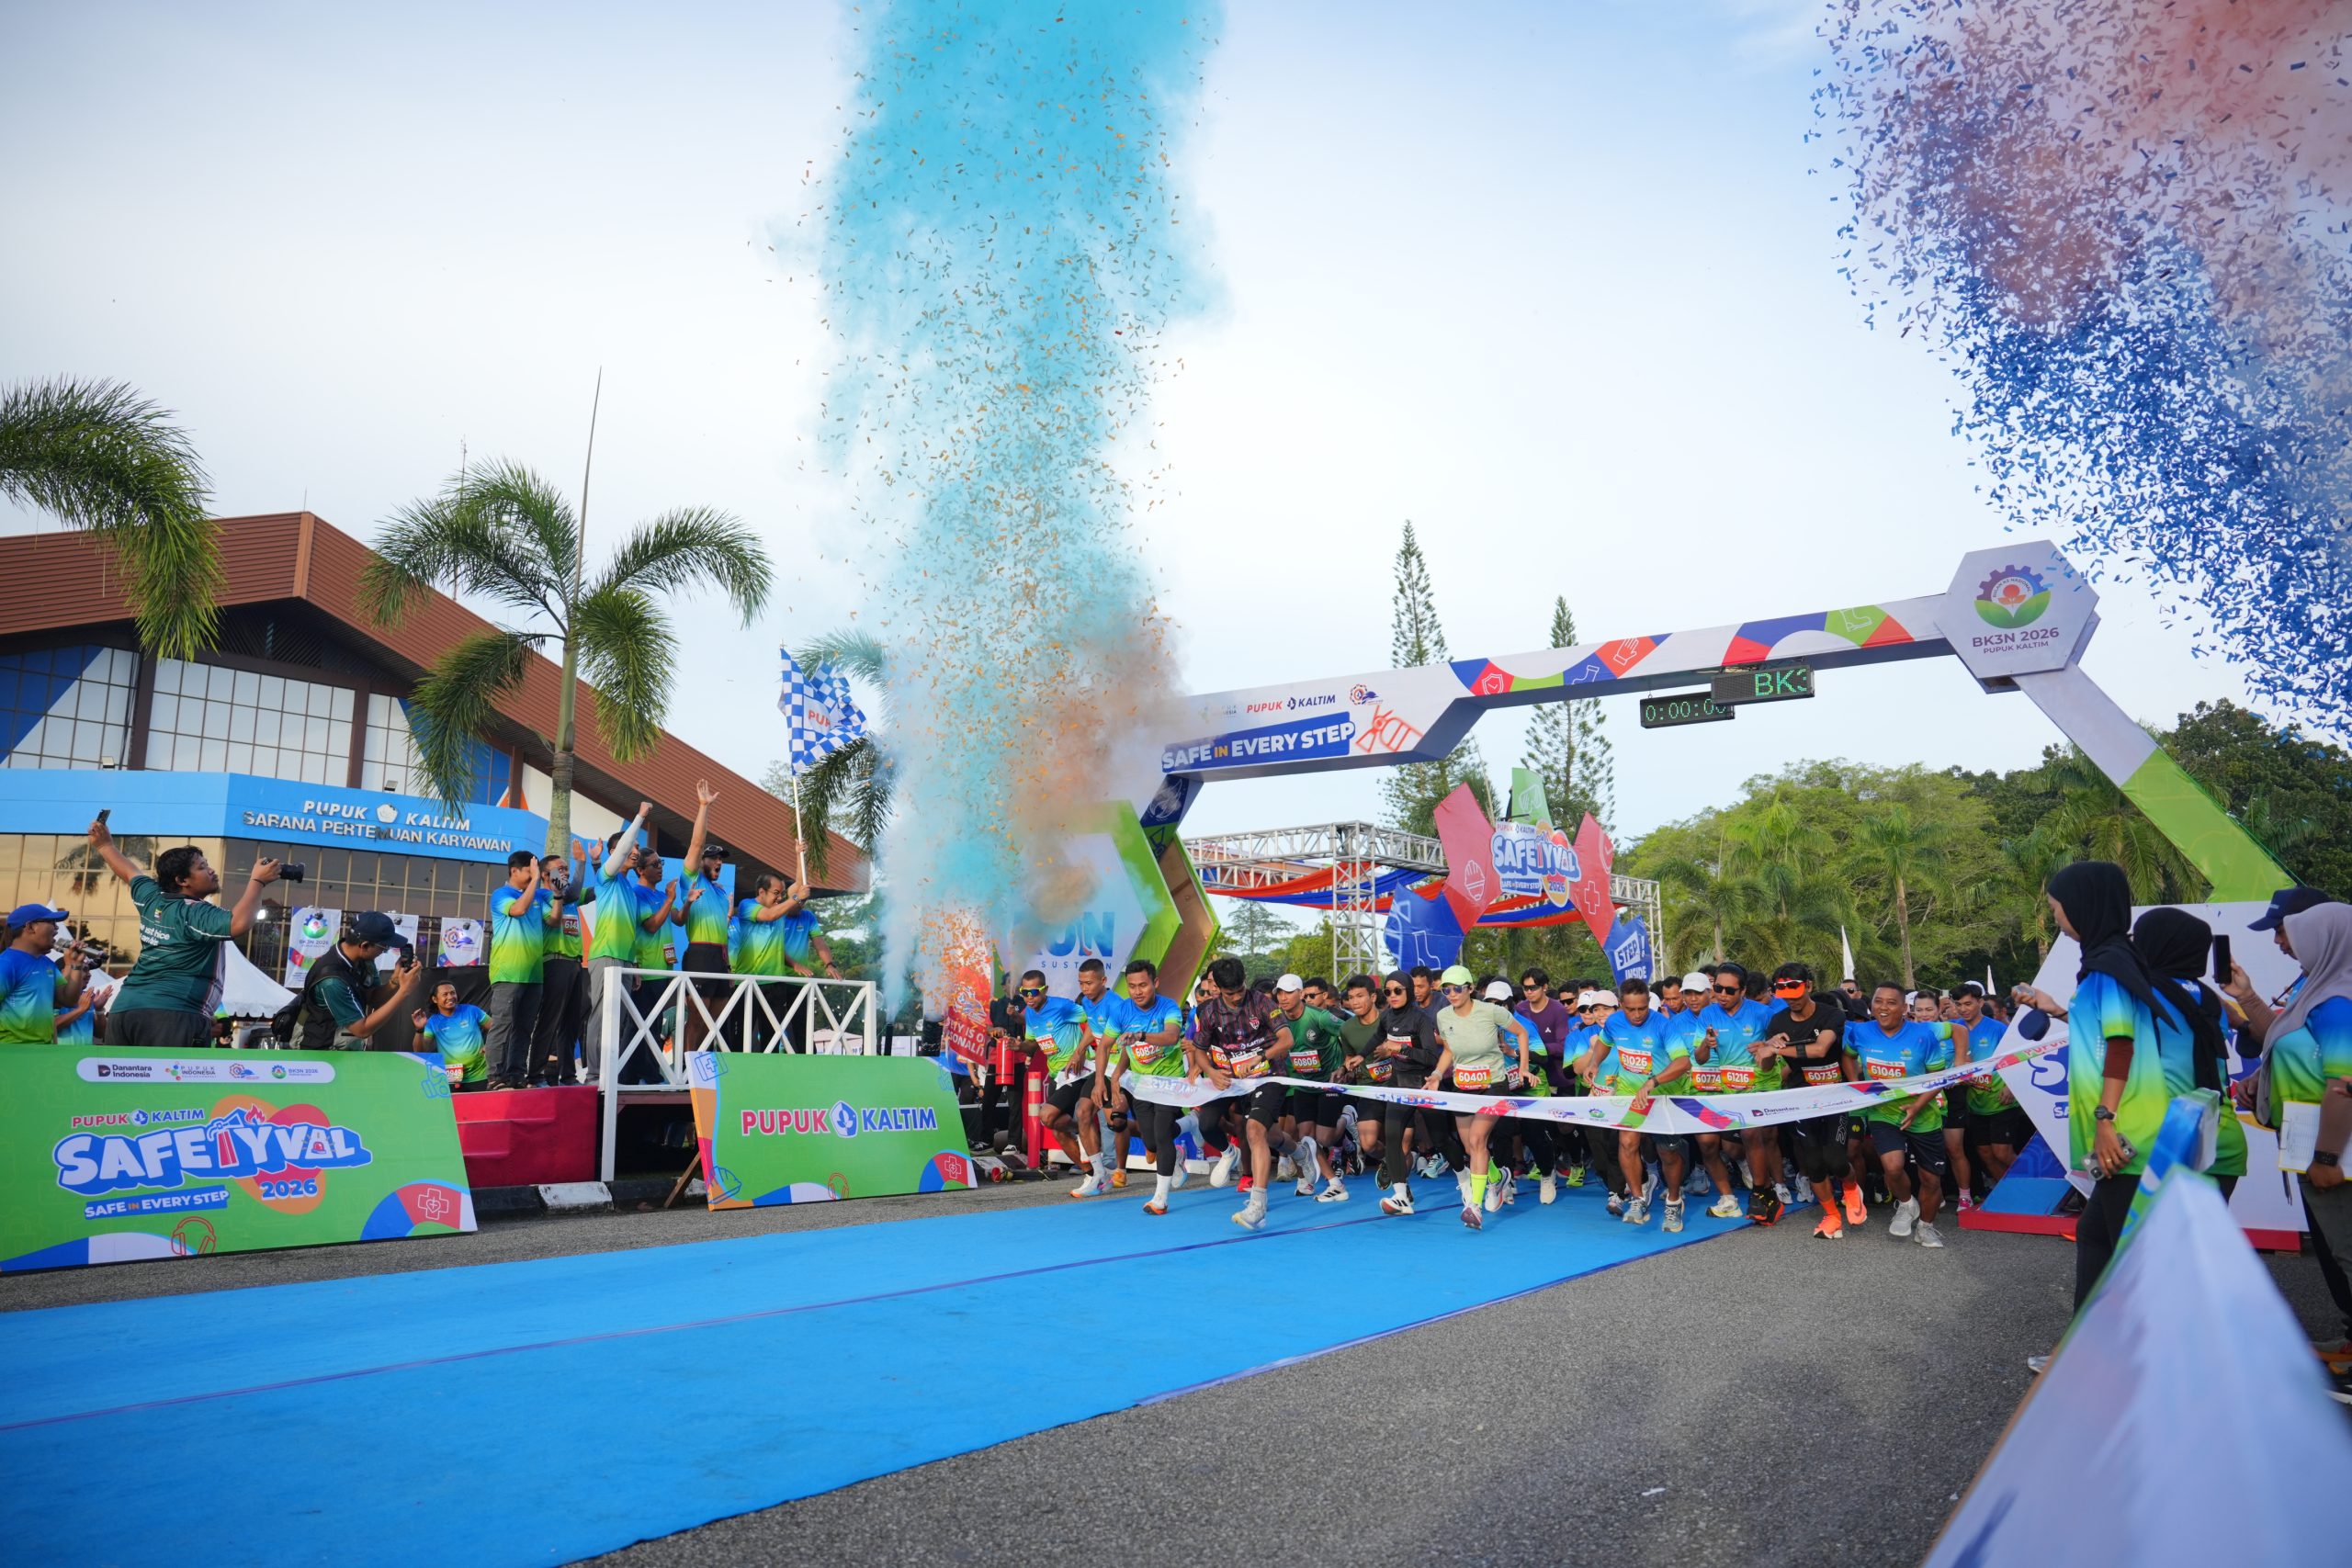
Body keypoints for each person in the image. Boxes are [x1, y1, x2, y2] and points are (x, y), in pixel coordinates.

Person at [2028, 862, 2176, 1304]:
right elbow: (2101, 1033)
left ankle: (2130, 1341)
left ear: (2083, 907)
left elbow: (2121, 1045)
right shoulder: (2109, 962)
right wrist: (2056, 1010)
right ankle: (2088, 1335)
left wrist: (2105, 1119)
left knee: (2127, 1250)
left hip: (2124, 1131)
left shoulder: (2108, 968)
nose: (2055, 916)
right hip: (2122, 1130)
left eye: (2057, 907)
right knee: (2096, 1236)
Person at [2225, 900, 2352, 1349]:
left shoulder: (2336, 1002)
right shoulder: (2321, 990)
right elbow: (2295, 1045)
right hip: (2314, 1137)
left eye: (2290, 933)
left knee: (2348, 1251)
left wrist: (2326, 1158)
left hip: (2332, 1145)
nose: (2280, 943)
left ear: (2325, 939)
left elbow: (2344, 1085)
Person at [85, 817, 279, 1048]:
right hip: (172, 1015)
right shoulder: (195, 912)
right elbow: (238, 923)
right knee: (172, 1075)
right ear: (181, 880)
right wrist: (257, 881)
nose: (211, 870)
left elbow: (129, 872)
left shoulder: (152, 898)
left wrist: (104, 845)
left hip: (123, 1012)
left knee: (123, 1074)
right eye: (202, 867)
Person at [2129, 909, 2247, 1199]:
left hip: (2166, 1140)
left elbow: (2110, 1037)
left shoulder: (2139, 994)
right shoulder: (2213, 1001)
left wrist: (2056, 1011)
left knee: (2109, 1226)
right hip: (2223, 1141)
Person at [1846, 980, 1960, 1247]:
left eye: (1891, 1002)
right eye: (1878, 1001)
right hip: (1883, 1112)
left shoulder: (1923, 1035)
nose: (1883, 1008)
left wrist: (1917, 1106)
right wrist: (1857, 1086)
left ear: (1904, 1008)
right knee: (1893, 1167)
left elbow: (1938, 1078)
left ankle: (1926, 1228)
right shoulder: (1860, 1032)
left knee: (1930, 1179)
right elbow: (1847, 1056)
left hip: (1924, 1114)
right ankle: (1907, 1204)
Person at [1426, 963, 1536, 1230]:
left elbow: (1521, 1033)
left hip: (1493, 1085)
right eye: (1446, 990)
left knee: (1477, 1140)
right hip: (1463, 1086)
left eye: (1457, 988)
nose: (1452, 994)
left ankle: (1474, 1207)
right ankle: (1497, 1178)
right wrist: (1437, 1074)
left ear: (1471, 988)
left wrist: (1523, 1067)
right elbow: (1449, 1051)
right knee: (1471, 1147)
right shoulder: (1443, 1016)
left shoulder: (1491, 1011)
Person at [1189, 955, 1295, 1229]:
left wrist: (1261, 1056)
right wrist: (1211, 1072)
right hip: (1233, 1080)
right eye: (1229, 993)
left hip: (1268, 1075)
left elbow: (1287, 1040)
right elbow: (1199, 1050)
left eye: (1239, 990)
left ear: (1245, 981)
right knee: (1210, 1124)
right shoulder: (1209, 1012)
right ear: (1217, 988)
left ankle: (1258, 1204)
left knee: (1255, 1131)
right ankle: (1298, 1151)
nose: (1236, 997)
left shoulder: (1262, 1002)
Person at [1582, 976, 1691, 1232]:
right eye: (1631, 1009)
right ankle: (1638, 1199)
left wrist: (1653, 1081)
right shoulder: (1614, 1022)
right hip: (1631, 1093)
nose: (1638, 1014)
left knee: (1667, 1153)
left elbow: (1684, 1063)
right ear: (1621, 1005)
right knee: (1628, 1143)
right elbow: (1604, 1043)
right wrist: (1594, 1063)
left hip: (1664, 1094)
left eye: (1643, 1008)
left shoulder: (1663, 1025)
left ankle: (1674, 1201)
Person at [1763, 962, 1857, 1237]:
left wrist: (1781, 1049)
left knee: (1836, 1160)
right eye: (1784, 993)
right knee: (1813, 1163)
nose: (1791, 998)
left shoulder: (1830, 1014)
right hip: (1801, 1098)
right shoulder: (1778, 1021)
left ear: (1809, 986)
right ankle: (1832, 1217)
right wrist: (1769, 1048)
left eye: (1796, 991)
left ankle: (1851, 1188)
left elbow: (1820, 1049)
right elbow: (1767, 1066)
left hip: (1835, 1097)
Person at [1095, 958, 1189, 1213]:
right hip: (1142, 1084)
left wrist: (1141, 1036)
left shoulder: (1169, 1007)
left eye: (1143, 985)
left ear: (1155, 983)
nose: (1137, 991)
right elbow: (1105, 1046)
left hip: (1170, 1081)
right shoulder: (1122, 1011)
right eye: (1132, 986)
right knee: (1151, 1140)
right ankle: (1180, 1148)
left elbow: (1171, 1037)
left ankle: (1160, 1198)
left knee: (1162, 1132)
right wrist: (1104, 1079)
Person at [1017, 970, 1110, 1198]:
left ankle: (1091, 1153)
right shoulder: (1030, 1014)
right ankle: (1093, 1173)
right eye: (1024, 992)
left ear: (1045, 990)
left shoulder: (1063, 1006)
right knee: (1055, 1126)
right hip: (1057, 1076)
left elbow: (1095, 1020)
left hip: (1078, 1073)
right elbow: (1033, 1045)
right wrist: (1018, 1046)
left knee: (1047, 1115)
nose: (1029, 997)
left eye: (1033, 992)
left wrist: (1080, 1052)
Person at [579, 802, 655, 1079]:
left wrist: (634, 965)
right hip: (606, 955)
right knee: (601, 1016)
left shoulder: (630, 890)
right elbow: (622, 849)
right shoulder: (606, 878)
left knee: (619, 1019)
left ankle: (610, 1076)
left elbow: (631, 931)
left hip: (625, 960)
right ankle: (594, 1076)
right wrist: (640, 817)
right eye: (632, 847)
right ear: (616, 852)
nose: (636, 852)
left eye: (638, 848)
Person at [1700, 962, 1779, 1220]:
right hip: (1730, 1090)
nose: (1722, 995)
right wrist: (1706, 1043)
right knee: (1726, 1147)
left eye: (1730, 990)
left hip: (1762, 1085)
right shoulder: (1708, 1014)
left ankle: (1761, 1194)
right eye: (1718, 989)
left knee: (1751, 1133)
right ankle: (1761, 1188)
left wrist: (1767, 1046)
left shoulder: (1763, 1013)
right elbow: (1700, 1058)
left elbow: (1778, 1048)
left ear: (1743, 991)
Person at [289, 911, 426, 1050]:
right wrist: (404, 991)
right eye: (384, 947)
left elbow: (373, 999)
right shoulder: (332, 981)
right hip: (320, 1050)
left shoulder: (363, 960)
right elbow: (362, 1030)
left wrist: (395, 980)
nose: (384, 952)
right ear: (365, 946)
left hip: (345, 1046)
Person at [1271, 973, 1348, 1201]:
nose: (1283, 998)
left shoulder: (1320, 1017)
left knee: (1323, 1139)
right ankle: (1331, 1183)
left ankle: (1347, 1119)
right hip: (1302, 1085)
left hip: (1328, 1083)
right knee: (1305, 1139)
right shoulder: (1277, 1020)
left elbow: (1349, 1033)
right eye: (1279, 993)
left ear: (1301, 994)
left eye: (1288, 992)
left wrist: (1345, 1065)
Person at [486, 850, 558, 1089]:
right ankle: (495, 1076)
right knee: (503, 1025)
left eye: (534, 871)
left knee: (524, 1028)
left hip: (534, 974)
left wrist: (558, 895)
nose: (532, 875)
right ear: (514, 871)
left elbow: (554, 920)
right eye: (529, 871)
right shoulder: (501, 894)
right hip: (508, 973)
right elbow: (518, 910)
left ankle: (516, 1073)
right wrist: (537, 880)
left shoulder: (536, 896)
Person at [669, 782, 732, 1053]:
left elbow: (723, 931)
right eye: (713, 858)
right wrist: (704, 807)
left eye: (721, 859)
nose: (719, 861)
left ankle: (700, 1065)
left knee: (715, 1018)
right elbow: (697, 844)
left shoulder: (720, 891)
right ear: (702, 861)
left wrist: (728, 965)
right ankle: (685, 1068)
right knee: (697, 1015)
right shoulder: (691, 878)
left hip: (720, 957)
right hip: (699, 954)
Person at [1949, 982, 2024, 1201]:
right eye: (1959, 1005)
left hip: (2001, 1100)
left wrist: (2011, 1086)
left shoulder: (1998, 1028)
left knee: (2002, 1152)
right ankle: (2009, 1195)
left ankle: (2030, 1186)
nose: (1963, 1009)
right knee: (1985, 1153)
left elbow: (2018, 1058)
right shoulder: (1953, 1028)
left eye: (1968, 1004)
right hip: (1974, 1104)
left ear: (1980, 1002)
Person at [1515, 967, 1582, 1199]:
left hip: (1558, 1073)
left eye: (1533, 987)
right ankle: (1546, 1165)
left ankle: (1577, 1163)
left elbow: (1563, 1045)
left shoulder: (1558, 1010)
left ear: (1545, 987)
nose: (1529, 992)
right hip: (1532, 1075)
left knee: (1564, 1125)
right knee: (1536, 1126)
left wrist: (1535, 1048)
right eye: (1525, 988)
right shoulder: (1520, 1009)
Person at [531, 845, 593, 1084]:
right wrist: (581, 864)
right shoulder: (542, 896)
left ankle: (568, 1075)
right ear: (545, 875)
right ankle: (536, 1074)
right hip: (555, 962)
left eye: (567, 868)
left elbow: (587, 892)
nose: (565, 873)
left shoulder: (570, 897)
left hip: (575, 963)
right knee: (549, 1021)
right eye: (561, 869)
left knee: (571, 1023)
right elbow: (570, 895)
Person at [0, 905, 91, 1044]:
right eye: (51, 922)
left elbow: (68, 1000)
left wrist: (76, 965)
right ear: (30, 927)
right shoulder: (6, 963)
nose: (57, 928)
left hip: (44, 1050)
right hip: (12, 1050)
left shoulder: (47, 963)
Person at [413, 979, 491, 1089]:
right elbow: (420, 1051)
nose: (450, 997)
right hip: (451, 1080)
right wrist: (419, 1030)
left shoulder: (472, 1011)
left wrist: (490, 1045)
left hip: (480, 1076)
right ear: (435, 999)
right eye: (445, 994)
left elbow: (496, 1028)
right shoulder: (432, 1022)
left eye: (452, 993)